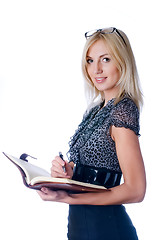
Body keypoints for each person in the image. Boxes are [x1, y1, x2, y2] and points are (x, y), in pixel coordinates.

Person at [37, 27, 146, 240]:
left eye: (105, 59)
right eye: (90, 60)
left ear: (122, 62)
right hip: (80, 228)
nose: (96, 69)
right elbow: (98, 168)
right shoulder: (97, 109)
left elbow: (136, 189)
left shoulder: (122, 110)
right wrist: (68, 172)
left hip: (106, 231)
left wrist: (68, 197)